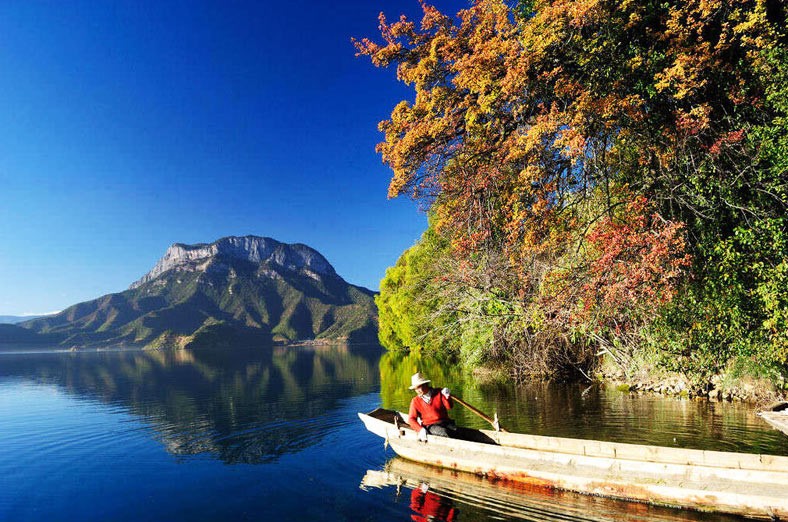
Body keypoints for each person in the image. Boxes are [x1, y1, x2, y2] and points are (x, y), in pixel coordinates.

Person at [407, 372, 458, 440]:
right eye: (415, 389)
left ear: (425, 385)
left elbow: (449, 407)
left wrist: (447, 397)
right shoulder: (415, 401)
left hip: (446, 422)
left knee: (457, 432)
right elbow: (411, 419)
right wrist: (420, 430)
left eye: (419, 387)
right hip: (430, 426)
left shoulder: (439, 392)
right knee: (443, 432)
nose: (417, 391)